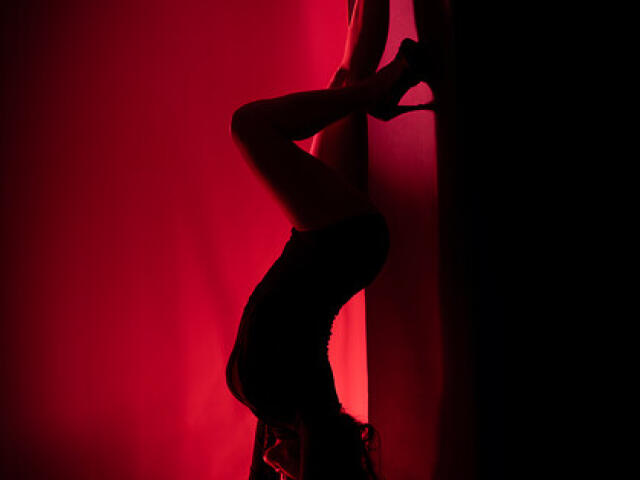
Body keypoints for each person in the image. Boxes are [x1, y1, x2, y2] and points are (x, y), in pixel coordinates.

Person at [225, 1, 437, 478]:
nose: (276, 471)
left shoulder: (278, 412)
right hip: (340, 242)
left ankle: (377, 90)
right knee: (251, 127)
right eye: (288, 476)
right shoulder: (306, 406)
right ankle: (378, 91)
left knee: (346, 78)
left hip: (324, 239)